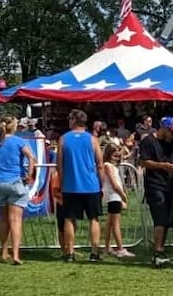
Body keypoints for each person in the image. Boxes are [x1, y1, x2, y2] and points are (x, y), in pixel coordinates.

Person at [0, 115, 36, 264]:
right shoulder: (19, 141)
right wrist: (29, 175)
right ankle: (16, 254)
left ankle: (4, 252)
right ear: (14, 126)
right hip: (15, 181)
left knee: (4, 220)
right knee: (16, 220)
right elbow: (31, 158)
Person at [56, 109, 104, 263]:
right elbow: (100, 164)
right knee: (94, 219)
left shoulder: (63, 139)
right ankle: (94, 252)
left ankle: (69, 252)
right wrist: (101, 184)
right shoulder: (92, 140)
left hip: (70, 186)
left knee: (69, 219)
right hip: (91, 185)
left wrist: (62, 183)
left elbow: (59, 166)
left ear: (74, 120)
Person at [138, 116, 173, 267]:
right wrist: (162, 166)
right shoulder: (148, 141)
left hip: (169, 185)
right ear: (164, 129)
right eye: (172, 132)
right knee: (160, 218)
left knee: (167, 220)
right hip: (154, 185)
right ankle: (157, 252)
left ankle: (161, 249)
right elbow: (143, 161)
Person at [101, 143, 133, 258]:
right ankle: (120, 248)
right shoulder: (108, 166)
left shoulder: (112, 166)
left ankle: (107, 247)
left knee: (110, 223)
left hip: (113, 196)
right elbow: (114, 184)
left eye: (118, 156)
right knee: (116, 224)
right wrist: (123, 196)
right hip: (113, 196)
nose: (117, 158)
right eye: (114, 155)